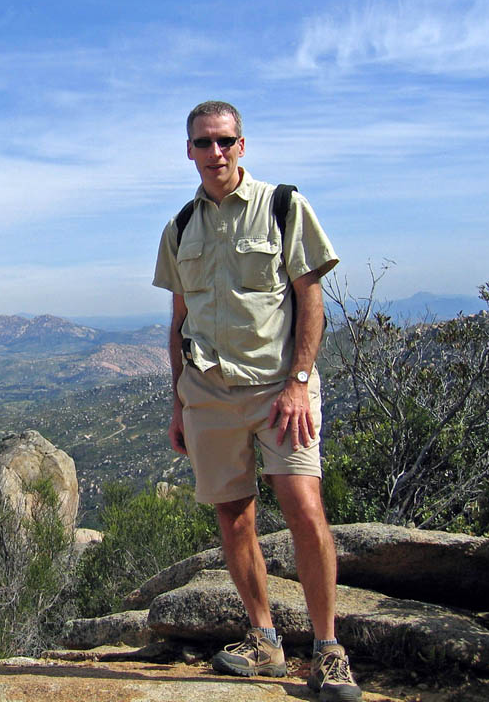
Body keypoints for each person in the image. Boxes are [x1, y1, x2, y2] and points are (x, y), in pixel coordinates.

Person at [152, 101, 361, 702]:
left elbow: (310, 298)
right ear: (188, 150)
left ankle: (328, 650)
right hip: (207, 393)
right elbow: (178, 320)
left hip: (278, 388)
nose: (214, 153)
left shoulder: (283, 206)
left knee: (303, 504)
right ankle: (264, 638)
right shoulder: (180, 226)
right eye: (202, 143)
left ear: (243, 144)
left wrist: (300, 380)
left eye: (224, 141)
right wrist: (178, 403)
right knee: (233, 516)